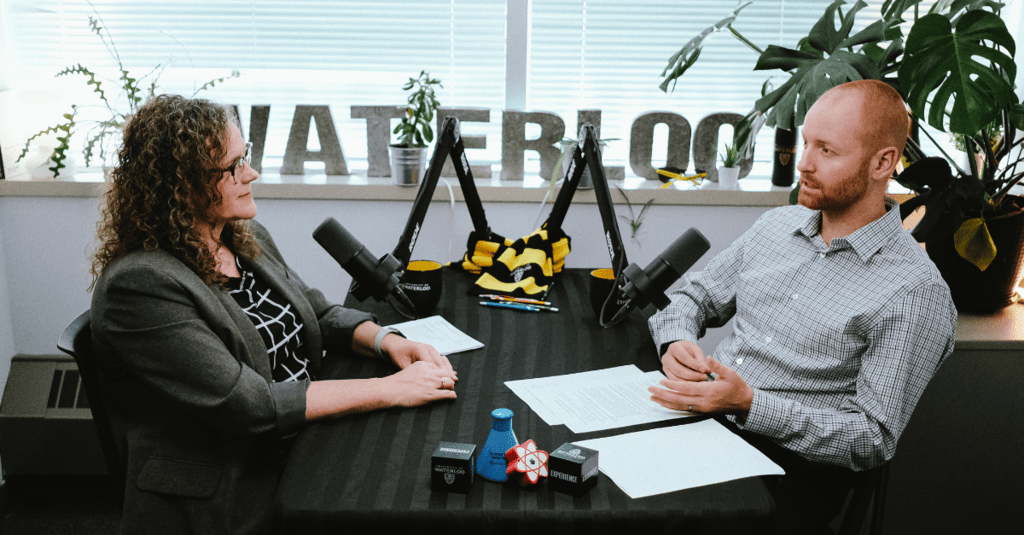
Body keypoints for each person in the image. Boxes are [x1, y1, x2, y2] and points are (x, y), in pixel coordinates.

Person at [89, 94, 459, 534]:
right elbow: (250, 403)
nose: (251, 173)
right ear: (181, 186)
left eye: (245, 158)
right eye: (232, 168)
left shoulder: (240, 236)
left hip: (302, 440)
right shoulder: (139, 286)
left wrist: (391, 342)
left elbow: (315, 312)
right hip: (230, 483)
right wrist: (390, 390)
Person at [647, 80, 957, 534]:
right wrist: (676, 340)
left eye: (827, 151)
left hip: (789, 475)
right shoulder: (778, 225)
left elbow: (872, 438)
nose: (804, 164)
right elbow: (691, 296)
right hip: (707, 422)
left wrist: (750, 404)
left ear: (883, 163)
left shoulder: (914, 292)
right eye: (807, 143)